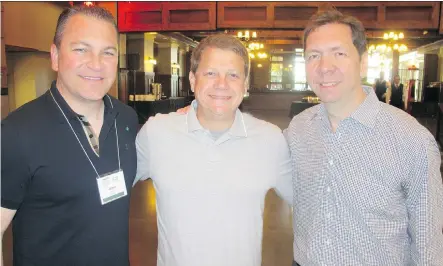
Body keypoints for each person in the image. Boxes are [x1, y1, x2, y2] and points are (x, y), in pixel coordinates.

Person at [286, 9, 443, 265]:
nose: (325, 67)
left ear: (364, 61)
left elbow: (428, 244)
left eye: (339, 53)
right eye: (314, 56)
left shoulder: (411, 139)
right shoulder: (299, 128)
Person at [134, 34, 293, 266]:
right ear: (192, 79)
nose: (221, 84)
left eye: (233, 75)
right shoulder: (156, 132)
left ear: (245, 83)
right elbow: (107, 195)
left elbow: (311, 202)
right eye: (210, 73)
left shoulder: (270, 139)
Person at [1, 6, 138, 266]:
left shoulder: (126, 119)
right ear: (55, 56)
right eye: (80, 49)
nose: (96, 64)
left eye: (107, 52)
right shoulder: (16, 134)